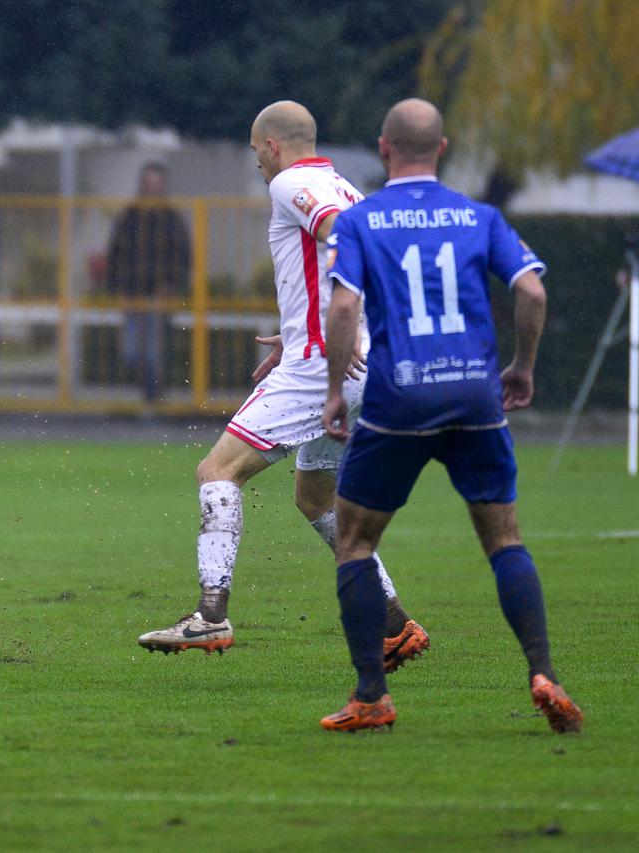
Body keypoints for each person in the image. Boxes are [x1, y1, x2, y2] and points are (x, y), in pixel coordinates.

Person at [319, 98, 582, 733]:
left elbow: (345, 310)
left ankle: (371, 696)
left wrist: (333, 390)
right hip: (473, 395)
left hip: (399, 397)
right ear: (442, 148)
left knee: (354, 541)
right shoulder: (479, 216)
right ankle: (543, 672)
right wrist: (521, 366)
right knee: (504, 539)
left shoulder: (361, 222)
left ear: (384, 149)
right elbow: (532, 289)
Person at [138, 102, 428, 668]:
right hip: (355, 360)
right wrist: (305, 330)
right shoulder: (341, 183)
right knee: (315, 496)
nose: (256, 166)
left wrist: (319, 342)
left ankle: (210, 616)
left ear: (272, 146)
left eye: (254, 153)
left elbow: (341, 235)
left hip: (322, 367)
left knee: (217, 472)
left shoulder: (291, 182)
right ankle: (393, 624)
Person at [105, 162, 191, 402]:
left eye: (157, 182)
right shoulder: (130, 215)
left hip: (158, 295)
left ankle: (153, 400)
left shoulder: (171, 218)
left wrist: (171, 285)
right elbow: (116, 253)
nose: (152, 187)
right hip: (133, 295)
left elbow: (182, 256)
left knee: (153, 352)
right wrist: (119, 289)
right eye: (149, 182)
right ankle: (147, 394)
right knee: (131, 351)